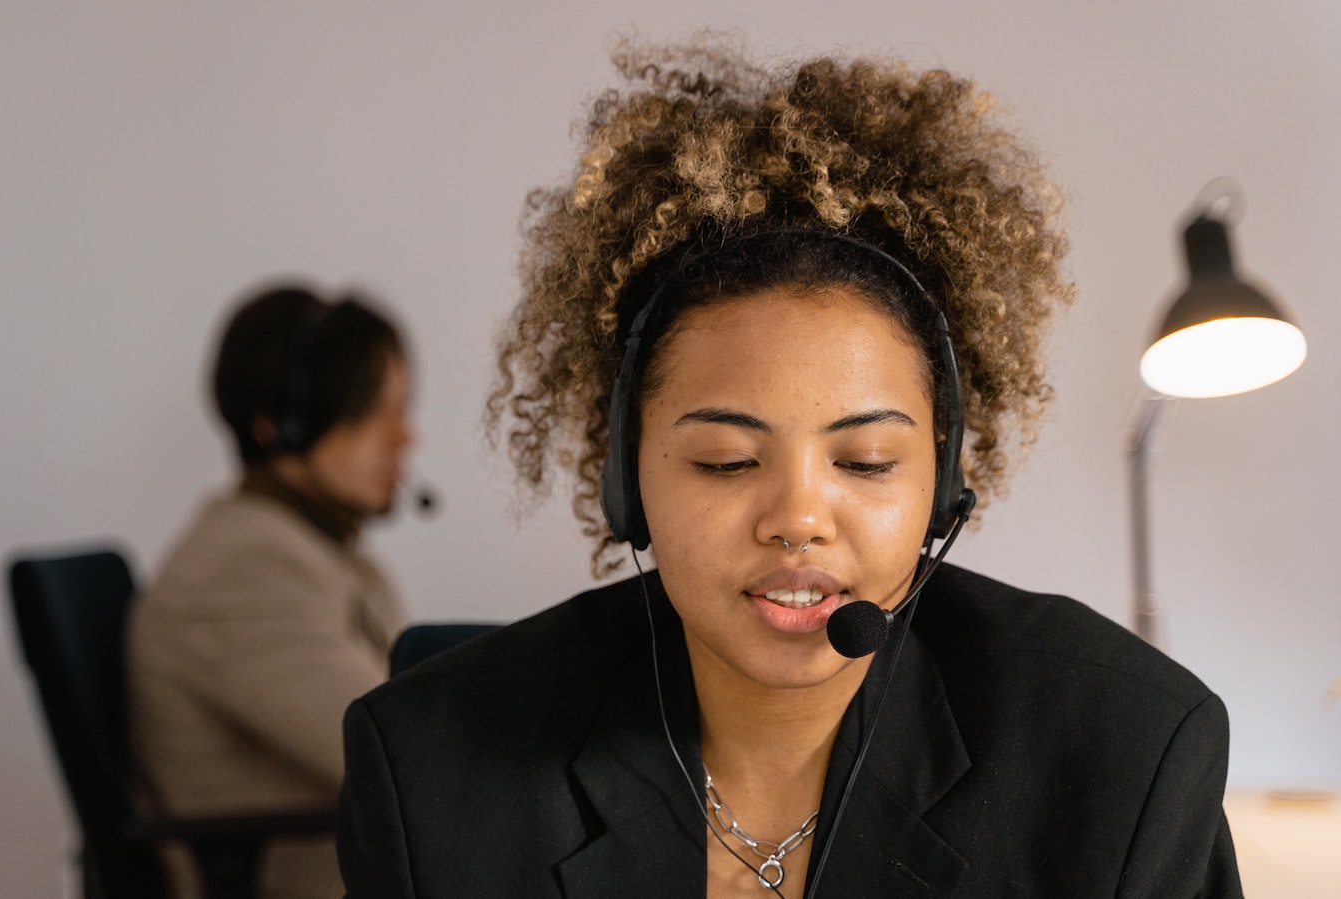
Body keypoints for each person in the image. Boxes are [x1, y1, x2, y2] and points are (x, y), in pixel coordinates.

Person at [337, 35, 1243, 898]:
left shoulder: (1127, 762)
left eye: (866, 459)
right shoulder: (429, 772)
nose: (798, 516)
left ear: (941, 482)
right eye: (728, 461)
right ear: (626, 473)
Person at [129, 283, 413, 898]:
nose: (403, 437)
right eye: (372, 411)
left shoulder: (311, 550)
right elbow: (402, 760)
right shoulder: (246, 568)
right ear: (283, 425)